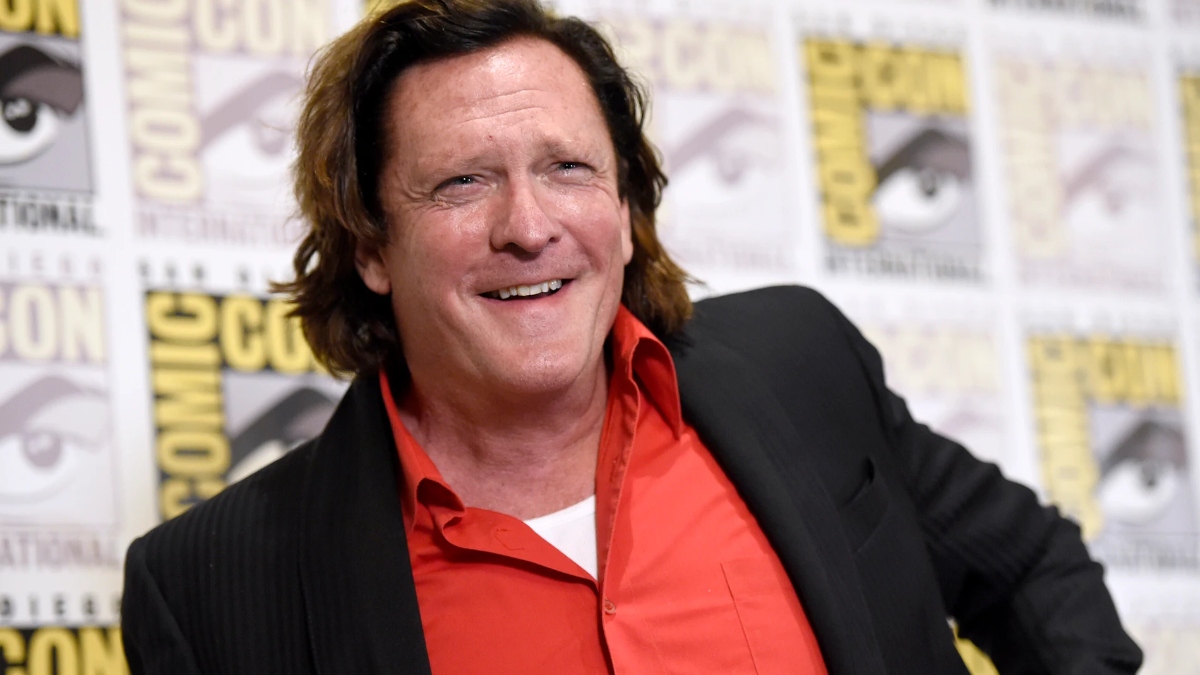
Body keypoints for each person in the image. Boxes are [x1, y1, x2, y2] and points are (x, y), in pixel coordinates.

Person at [120, 1, 1142, 673]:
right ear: (372, 246)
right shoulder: (217, 589)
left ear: (623, 207)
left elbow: (1030, 565)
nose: (528, 226)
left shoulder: (800, 365)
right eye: (462, 183)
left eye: (566, 168)